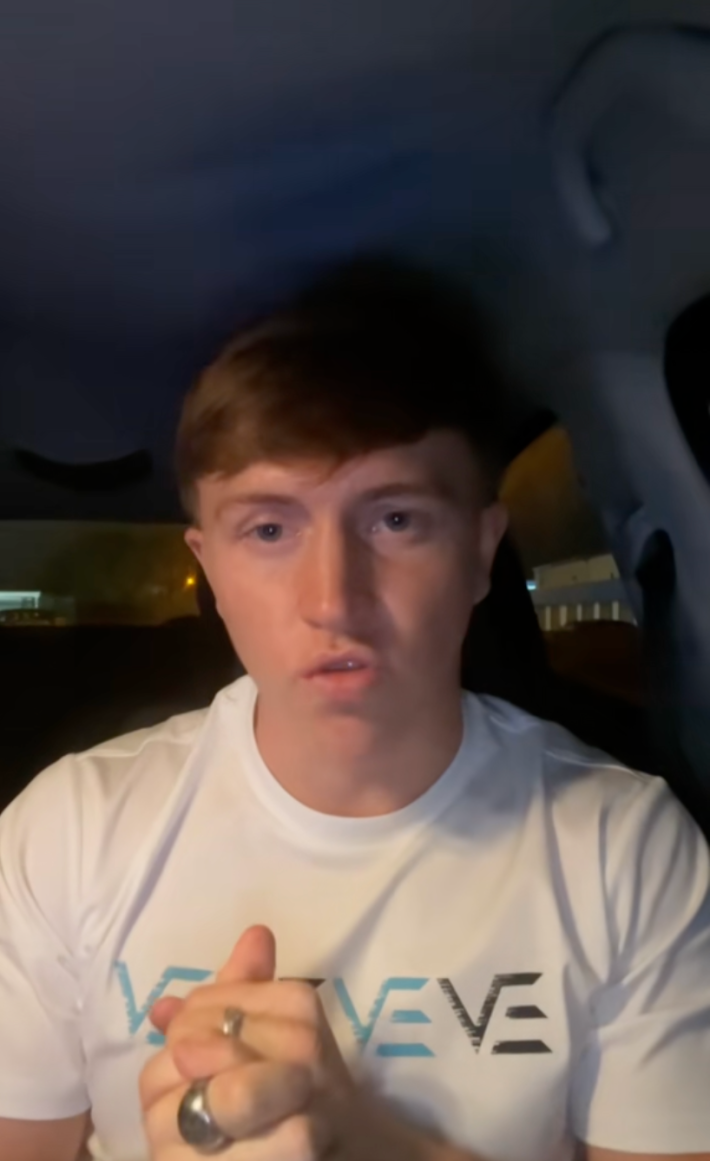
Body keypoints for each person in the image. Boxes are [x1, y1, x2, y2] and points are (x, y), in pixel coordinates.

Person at [0, 262, 709, 1161]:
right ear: (209, 569)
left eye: (395, 521)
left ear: (481, 552)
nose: (334, 599)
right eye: (268, 530)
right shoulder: (67, 830)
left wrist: (368, 1142)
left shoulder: (627, 847)